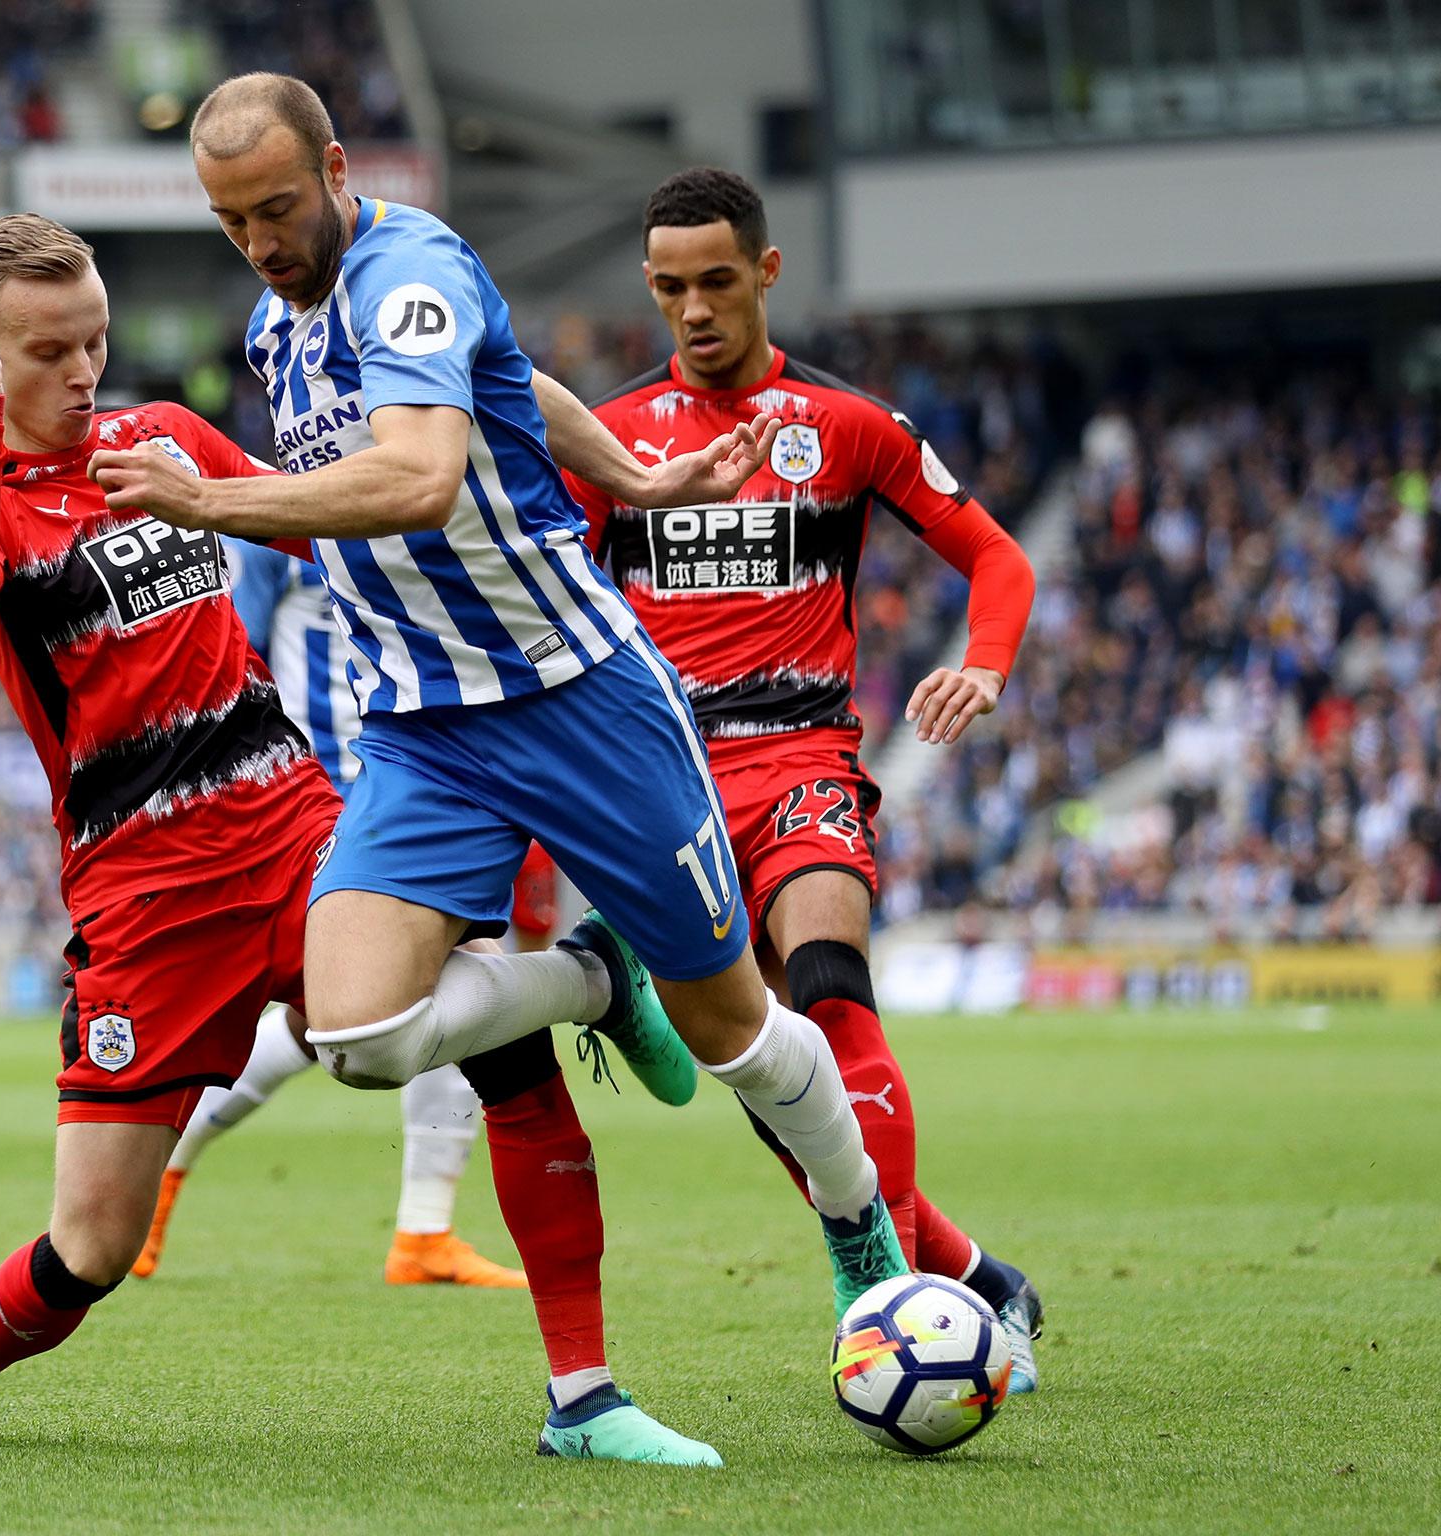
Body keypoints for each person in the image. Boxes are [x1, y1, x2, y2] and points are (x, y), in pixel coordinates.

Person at [0, 214, 723, 1466]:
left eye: (95, 341)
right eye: (47, 352)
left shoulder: (161, 438)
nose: (81, 372)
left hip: (293, 821)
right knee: (94, 1244)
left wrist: (468, 465)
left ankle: (588, 1400)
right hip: (145, 893)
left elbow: (307, 518)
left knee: (503, 1065)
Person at [98, 73, 912, 1365]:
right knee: (356, 1032)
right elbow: (513, 381)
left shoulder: (406, 268)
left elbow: (424, 477)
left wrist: (209, 506)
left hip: (574, 693)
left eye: (275, 206)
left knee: (737, 1034)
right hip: (423, 728)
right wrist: (638, 474)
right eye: (229, 218)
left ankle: (862, 1229)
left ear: (337, 169)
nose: (259, 240)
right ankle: (592, 978)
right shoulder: (275, 325)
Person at [563, 166, 1045, 1390]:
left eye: (716, 281)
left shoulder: (847, 425)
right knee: (773, 1073)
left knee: (832, 993)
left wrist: (982, 669)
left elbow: (995, 561)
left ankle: (902, 1309)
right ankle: (969, 1277)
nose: (694, 309)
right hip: (662, 778)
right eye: (669, 287)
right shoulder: (608, 441)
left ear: (766, 273)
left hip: (801, 754)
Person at [132, 539, 526, 1290]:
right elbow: (228, 654)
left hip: (419, 790)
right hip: (322, 803)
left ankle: (418, 1233)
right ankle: (423, 1231)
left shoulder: (425, 503)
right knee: (458, 983)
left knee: (336, 1021)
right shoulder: (275, 525)